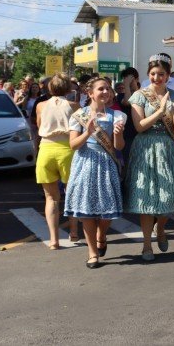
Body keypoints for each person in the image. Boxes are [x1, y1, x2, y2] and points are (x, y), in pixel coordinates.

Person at [123, 55, 174, 261]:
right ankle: (147, 245)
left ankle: (161, 229)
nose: (157, 78)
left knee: (168, 195)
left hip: (167, 148)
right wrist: (160, 111)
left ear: (168, 76)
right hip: (146, 148)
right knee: (147, 197)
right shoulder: (139, 96)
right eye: (153, 74)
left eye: (161, 74)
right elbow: (139, 126)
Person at [64, 77, 126, 269]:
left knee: (106, 211)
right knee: (87, 212)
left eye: (108, 89)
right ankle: (92, 252)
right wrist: (87, 132)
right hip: (85, 163)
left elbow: (119, 147)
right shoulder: (79, 115)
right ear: (90, 93)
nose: (106, 92)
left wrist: (117, 133)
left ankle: (102, 235)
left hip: (106, 163)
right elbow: (73, 145)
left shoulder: (117, 115)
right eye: (101, 89)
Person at [34, 74, 81, 248]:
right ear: (68, 89)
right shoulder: (74, 106)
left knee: (51, 198)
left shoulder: (40, 105)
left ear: (50, 88)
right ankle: (74, 232)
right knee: (71, 194)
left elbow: (39, 126)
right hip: (67, 150)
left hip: (46, 150)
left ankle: (54, 240)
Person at [116, 67, 141, 164]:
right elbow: (128, 102)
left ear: (137, 79)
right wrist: (126, 85)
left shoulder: (144, 93)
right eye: (125, 80)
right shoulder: (121, 96)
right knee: (129, 164)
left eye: (131, 79)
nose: (128, 82)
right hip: (128, 135)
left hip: (142, 134)